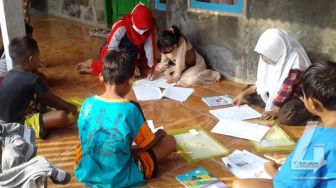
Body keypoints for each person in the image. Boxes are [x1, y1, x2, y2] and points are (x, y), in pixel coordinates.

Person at [74, 50, 176, 187]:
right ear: (130, 80)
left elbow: (84, 137)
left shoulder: (87, 103)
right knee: (170, 142)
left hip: (87, 170)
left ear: (101, 77)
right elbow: (146, 145)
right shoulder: (130, 109)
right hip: (120, 177)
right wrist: (159, 134)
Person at [233, 60, 336, 188]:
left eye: (303, 95)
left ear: (313, 103)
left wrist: (272, 171)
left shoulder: (316, 141)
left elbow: (290, 184)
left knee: (239, 184)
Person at [0, 36, 77, 138]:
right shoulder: (33, 79)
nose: (39, 60)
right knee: (61, 116)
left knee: (43, 104)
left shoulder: (9, 74)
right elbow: (51, 100)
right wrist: (71, 108)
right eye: (38, 57)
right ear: (31, 59)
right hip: (17, 125)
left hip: (4, 120)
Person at [233, 28, 312, 125]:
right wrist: (243, 94)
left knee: (286, 116)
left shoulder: (295, 58)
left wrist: (275, 110)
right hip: (278, 92)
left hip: (295, 96)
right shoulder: (274, 54)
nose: (263, 58)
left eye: (265, 54)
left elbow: (286, 89)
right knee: (249, 93)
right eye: (262, 54)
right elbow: (263, 82)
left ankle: (313, 110)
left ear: (278, 48)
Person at [75, 3, 157, 77]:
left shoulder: (151, 26)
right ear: (132, 22)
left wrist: (151, 67)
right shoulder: (121, 26)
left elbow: (150, 47)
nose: (142, 32)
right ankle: (92, 64)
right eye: (140, 28)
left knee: (137, 71)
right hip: (113, 52)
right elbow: (111, 50)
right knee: (116, 69)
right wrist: (126, 65)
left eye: (145, 29)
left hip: (133, 53)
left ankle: (97, 70)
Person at [149, 25, 221, 87]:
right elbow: (163, 63)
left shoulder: (181, 41)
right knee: (163, 73)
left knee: (189, 81)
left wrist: (174, 78)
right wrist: (156, 73)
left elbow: (180, 63)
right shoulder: (164, 45)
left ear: (174, 45)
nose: (164, 52)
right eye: (163, 50)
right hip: (182, 66)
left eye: (166, 50)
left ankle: (212, 75)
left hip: (195, 65)